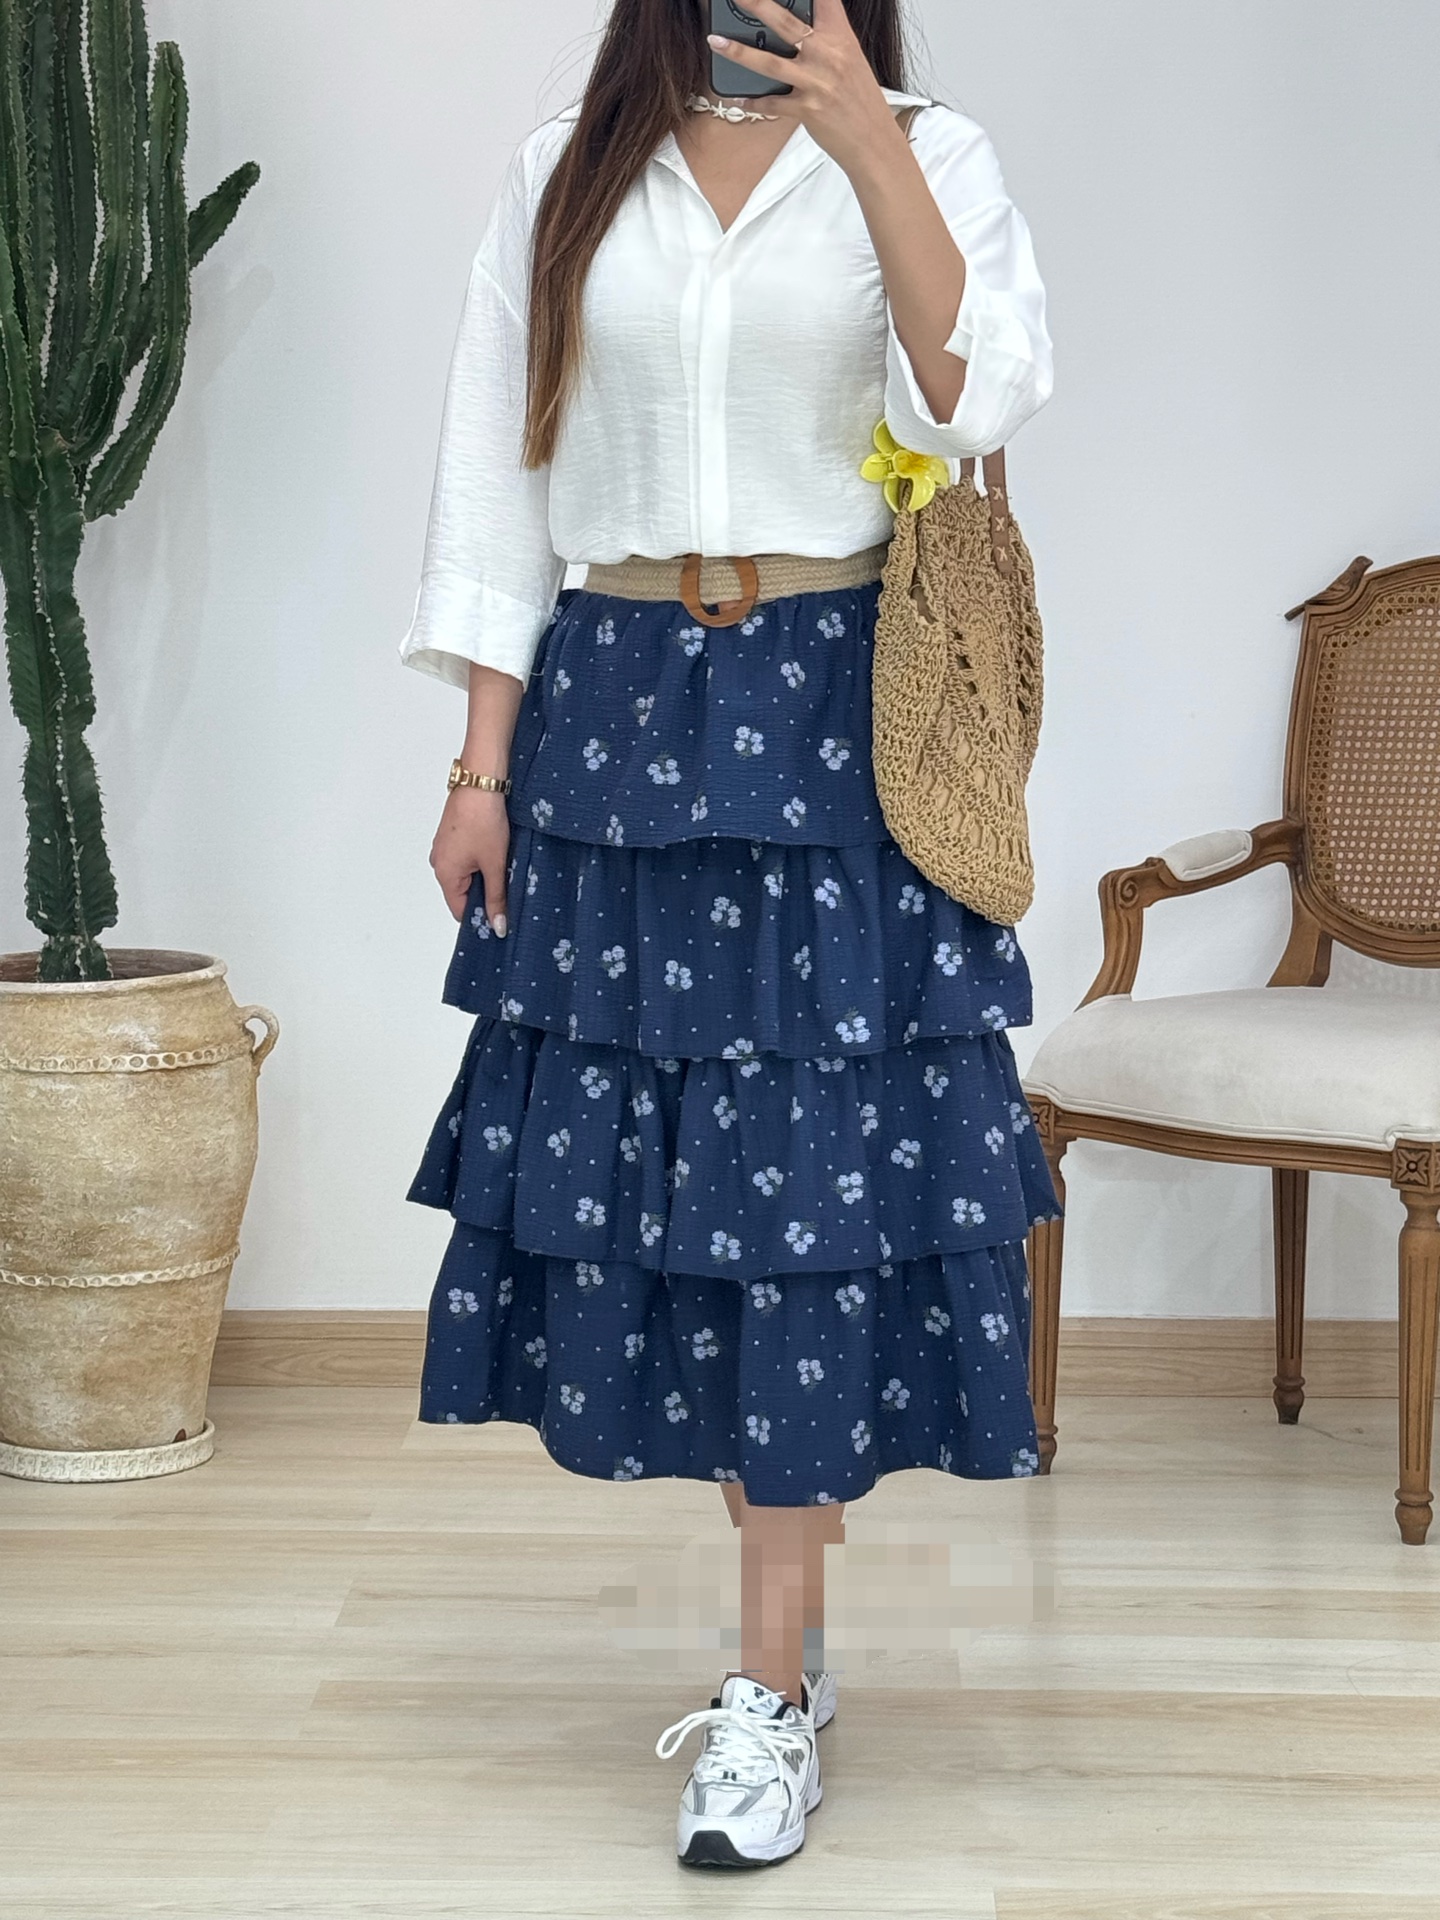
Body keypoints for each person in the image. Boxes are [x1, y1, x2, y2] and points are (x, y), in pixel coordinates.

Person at [400, 0, 1058, 1872]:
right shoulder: (567, 167)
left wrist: (869, 142)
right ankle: (792, 1636)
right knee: (680, 1201)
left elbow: (976, 396)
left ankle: (766, 1689)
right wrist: (477, 767)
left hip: (836, 711)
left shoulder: (929, 151)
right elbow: (497, 480)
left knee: (802, 1203)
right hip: (612, 712)